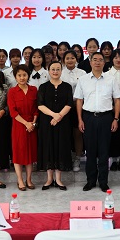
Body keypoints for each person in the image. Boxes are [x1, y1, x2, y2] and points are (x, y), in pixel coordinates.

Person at [74, 52, 120, 192]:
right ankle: (90, 181)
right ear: (90, 62)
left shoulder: (111, 79)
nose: (97, 62)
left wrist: (116, 119)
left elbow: (117, 100)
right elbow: (79, 101)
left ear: (104, 63)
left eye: (100, 60)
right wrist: (80, 119)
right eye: (95, 60)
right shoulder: (83, 80)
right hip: (88, 118)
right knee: (90, 151)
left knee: (104, 151)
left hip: (106, 118)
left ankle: (103, 182)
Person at [37, 61, 73, 190]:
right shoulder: (43, 87)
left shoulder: (67, 86)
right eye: (53, 69)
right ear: (48, 70)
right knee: (49, 147)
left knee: (60, 147)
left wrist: (59, 116)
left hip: (63, 123)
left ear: (61, 71)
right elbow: (40, 105)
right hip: (47, 122)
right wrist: (54, 115)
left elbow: (69, 104)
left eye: (58, 69)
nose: (55, 71)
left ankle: (58, 179)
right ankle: (49, 179)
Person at [7, 64, 38, 191]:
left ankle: (29, 179)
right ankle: (20, 180)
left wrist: (33, 123)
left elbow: (36, 109)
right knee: (18, 153)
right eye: (19, 75)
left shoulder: (34, 90)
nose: (22, 77)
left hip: (32, 125)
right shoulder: (12, 91)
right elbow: (13, 112)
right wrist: (26, 123)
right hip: (19, 125)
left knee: (30, 153)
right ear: (15, 77)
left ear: (28, 76)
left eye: (24, 75)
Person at [60, 50, 86, 171]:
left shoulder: (82, 73)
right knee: (65, 133)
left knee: (77, 133)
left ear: (76, 59)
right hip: (63, 107)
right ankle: (67, 158)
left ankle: (77, 158)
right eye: (67, 58)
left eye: (72, 58)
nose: (70, 60)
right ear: (63, 60)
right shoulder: (60, 72)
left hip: (77, 106)